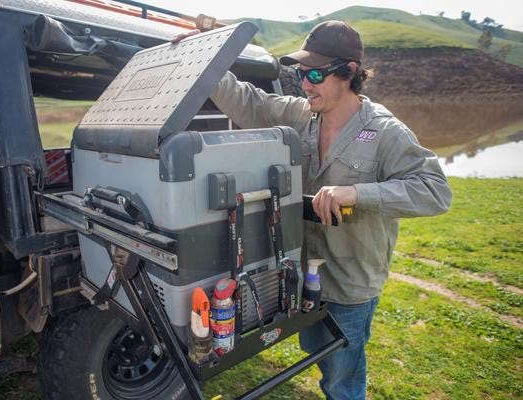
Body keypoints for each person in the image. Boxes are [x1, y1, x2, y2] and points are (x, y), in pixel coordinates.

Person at [175, 20, 452, 399]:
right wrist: (205, 58)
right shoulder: (301, 114)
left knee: (342, 377)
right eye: (302, 73)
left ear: (349, 72)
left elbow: (435, 191)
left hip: (350, 281)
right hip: (304, 273)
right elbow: (248, 101)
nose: (306, 83)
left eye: (316, 74)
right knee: (318, 355)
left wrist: (356, 193)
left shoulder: (385, 131)